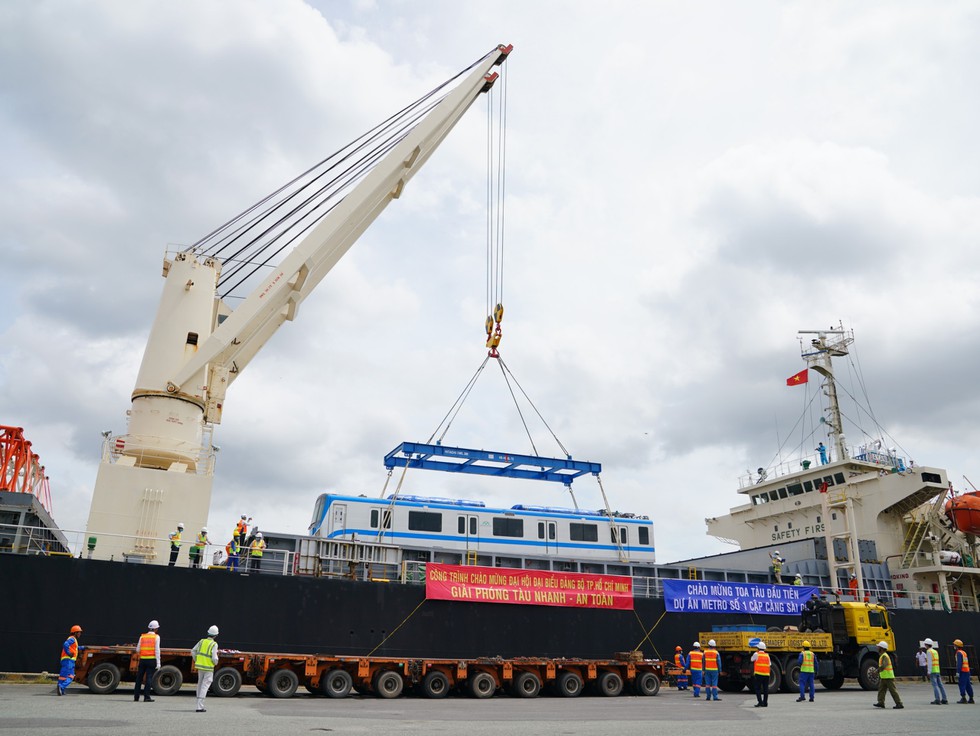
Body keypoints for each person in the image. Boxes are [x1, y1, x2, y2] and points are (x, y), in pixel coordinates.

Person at [191, 625, 220, 713]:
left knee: (200, 684)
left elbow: (193, 651)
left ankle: (198, 704)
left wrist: (197, 660)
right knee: (205, 686)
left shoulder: (201, 641)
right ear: (216, 635)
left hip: (200, 666)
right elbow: (214, 658)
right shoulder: (214, 644)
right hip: (208, 667)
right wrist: (216, 663)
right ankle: (200, 707)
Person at [134, 620, 160, 702]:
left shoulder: (142, 636)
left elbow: (137, 649)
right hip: (151, 660)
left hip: (142, 660)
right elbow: (157, 650)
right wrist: (158, 663)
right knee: (148, 678)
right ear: (155, 629)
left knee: (139, 678)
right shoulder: (156, 637)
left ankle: (136, 697)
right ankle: (146, 697)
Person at [873, 640, 903, 709]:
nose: (877, 648)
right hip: (884, 677)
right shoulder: (882, 656)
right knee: (881, 690)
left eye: (879, 647)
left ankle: (899, 703)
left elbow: (884, 666)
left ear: (882, 648)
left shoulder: (885, 656)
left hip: (888, 677)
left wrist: (877, 671)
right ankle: (881, 702)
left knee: (893, 691)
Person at [57, 625, 82, 695]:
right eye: (79, 632)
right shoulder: (72, 639)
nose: (80, 634)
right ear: (75, 633)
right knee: (71, 676)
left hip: (66, 660)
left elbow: (76, 648)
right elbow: (65, 644)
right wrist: (68, 653)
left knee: (63, 676)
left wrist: (83, 647)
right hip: (69, 660)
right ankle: (61, 686)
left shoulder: (73, 640)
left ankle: (61, 689)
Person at [924, 638, 948, 704]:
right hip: (937, 670)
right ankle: (944, 699)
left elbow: (929, 662)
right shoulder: (935, 651)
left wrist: (928, 672)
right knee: (940, 685)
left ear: (927, 645)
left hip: (932, 671)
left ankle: (937, 699)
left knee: (935, 685)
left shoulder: (929, 652)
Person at [952, 639, 975, 703]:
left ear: (957, 646)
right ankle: (971, 698)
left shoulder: (959, 653)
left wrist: (958, 672)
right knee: (968, 685)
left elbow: (959, 663)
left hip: (962, 671)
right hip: (967, 670)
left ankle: (963, 698)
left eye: (954, 645)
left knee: (961, 684)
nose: (954, 646)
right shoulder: (964, 652)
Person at [751, 641, 770, 707]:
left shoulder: (756, 654)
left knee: (758, 688)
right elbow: (769, 664)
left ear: (758, 648)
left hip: (758, 674)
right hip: (766, 674)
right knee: (765, 689)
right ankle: (765, 703)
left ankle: (760, 702)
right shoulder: (767, 655)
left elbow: (751, 660)